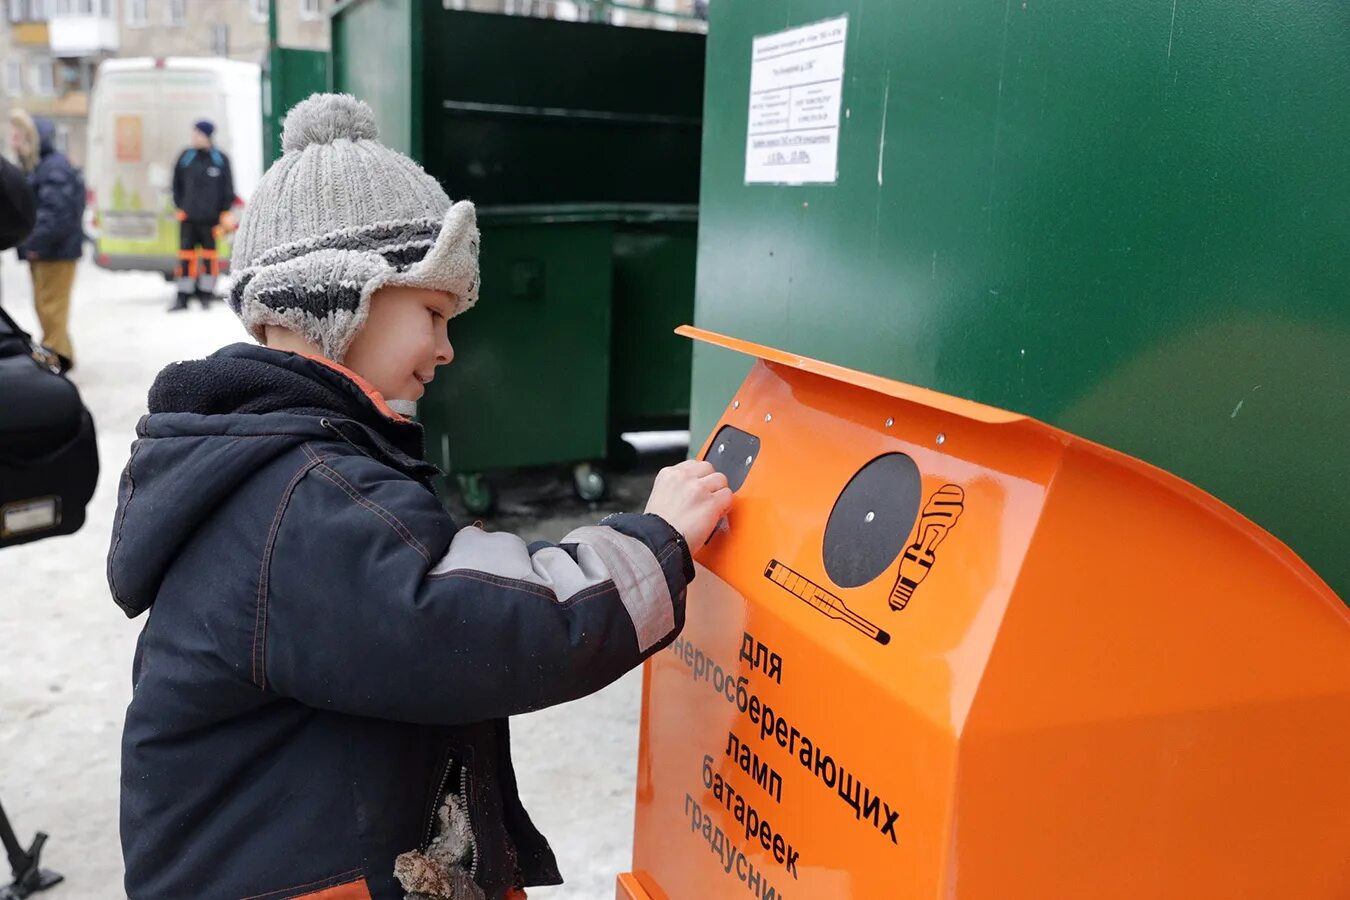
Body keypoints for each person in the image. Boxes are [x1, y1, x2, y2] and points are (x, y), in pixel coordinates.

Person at [107, 93, 733, 900]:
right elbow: (476, 623)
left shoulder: (285, 459)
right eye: (434, 312)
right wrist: (653, 543)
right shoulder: (296, 496)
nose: (445, 349)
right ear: (341, 298)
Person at [9, 110, 84, 368]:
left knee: (51, 307)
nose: (13, 143)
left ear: (34, 138)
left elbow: (56, 214)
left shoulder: (54, 167)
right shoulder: (41, 166)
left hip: (55, 251)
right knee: (46, 306)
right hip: (46, 250)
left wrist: (34, 243)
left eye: (18, 137)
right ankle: (60, 353)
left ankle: (57, 358)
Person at [169, 119, 235, 311]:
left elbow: (228, 188)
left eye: (198, 134)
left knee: (209, 259)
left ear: (207, 136)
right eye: (194, 134)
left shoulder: (220, 158)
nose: (194, 137)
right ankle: (183, 296)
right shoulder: (186, 156)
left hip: (211, 221)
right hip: (188, 219)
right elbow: (176, 184)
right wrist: (180, 205)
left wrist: (224, 211)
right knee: (186, 258)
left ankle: (206, 295)